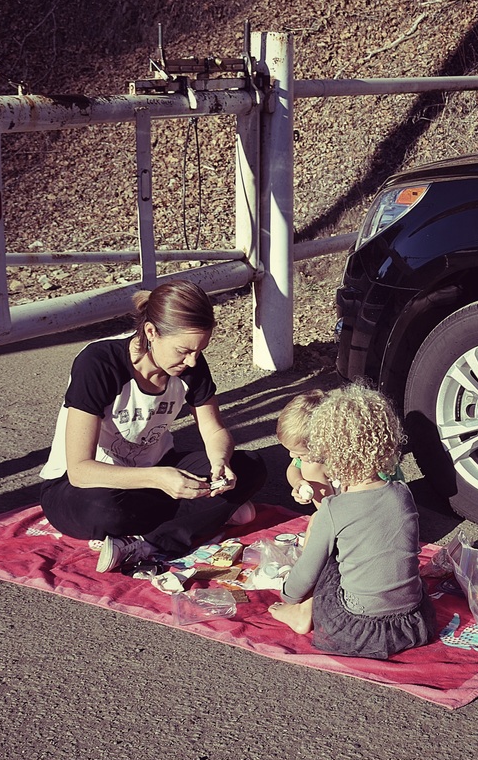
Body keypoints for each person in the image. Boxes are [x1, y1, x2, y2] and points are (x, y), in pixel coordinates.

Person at [39, 279, 266, 573]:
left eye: (199, 350)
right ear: (151, 332)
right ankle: (208, 513)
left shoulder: (191, 365)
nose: (193, 361)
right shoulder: (98, 363)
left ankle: (149, 540)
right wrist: (159, 479)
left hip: (157, 474)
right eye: (183, 351)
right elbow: (81, 470)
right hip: (85, 486)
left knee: (251, 466)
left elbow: (214, 430)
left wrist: (219, 462)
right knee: (104, 510)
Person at [268, 383, 436, 659]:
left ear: (327, 453)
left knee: (328, 559)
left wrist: (287, 595)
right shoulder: (402, 493)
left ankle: (300, 614)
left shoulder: (334, 508)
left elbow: (307, 574)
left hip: (357, 625)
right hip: (411, 621)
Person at [275, 389, 335, 509]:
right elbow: (293, 468)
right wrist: (298, 482)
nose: (292, 455)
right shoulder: (306, 458)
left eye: (300, 453)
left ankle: (326, 514)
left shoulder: (349, 458)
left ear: (324, 445)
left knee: (311, 468)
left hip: (353, 508)